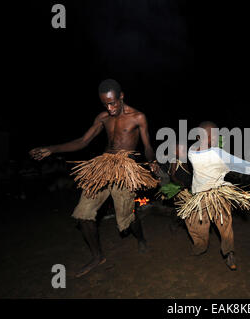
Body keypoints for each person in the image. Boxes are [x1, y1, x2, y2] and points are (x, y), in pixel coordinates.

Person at [29, 79, 159, 277]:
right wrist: (52, 149)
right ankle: (98, 256)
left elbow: (147, 145)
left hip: (124, 169)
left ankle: (141, 239)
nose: (110, 107)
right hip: (103, 166)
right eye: (106, 104)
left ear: (121, 96)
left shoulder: (138, 117)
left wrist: (152, 161)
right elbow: (83, 141)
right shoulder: (103, 118)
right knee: (83, 213)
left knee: (125, 219)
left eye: (113, 102)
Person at [175, 121, 250, 270]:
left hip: (199, 199)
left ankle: (199, 248)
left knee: (197, 228)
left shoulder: (192, 150)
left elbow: (199, 144)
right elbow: (244, 166)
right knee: (225, 227)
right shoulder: (219, 154)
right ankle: (229, 252)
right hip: (219, 196)